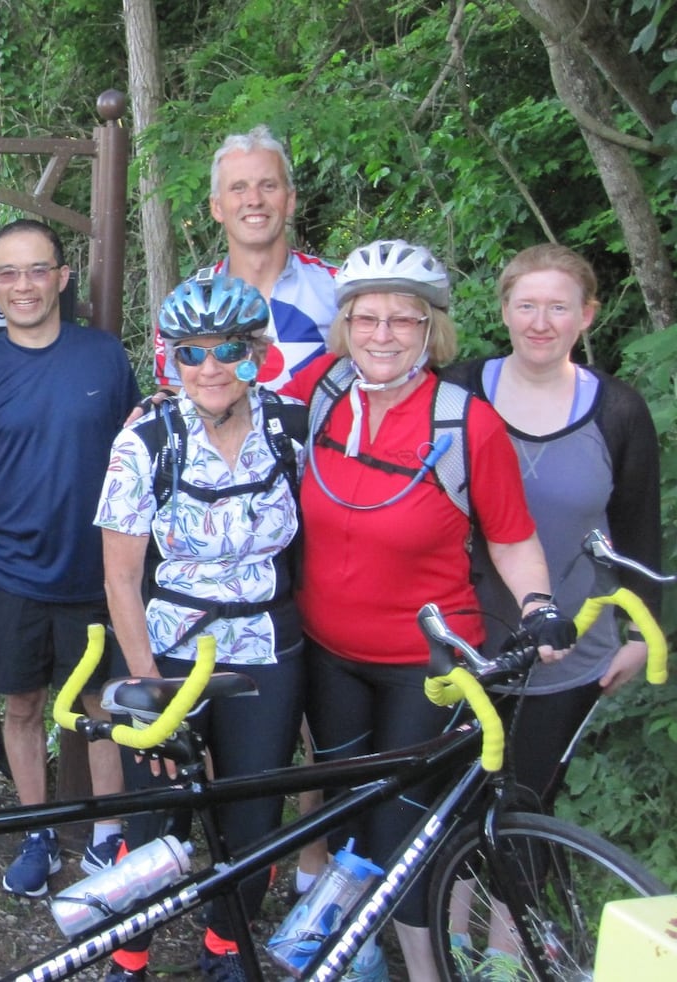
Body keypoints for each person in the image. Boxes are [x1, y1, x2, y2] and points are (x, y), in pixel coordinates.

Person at [283, 239, 575, 981]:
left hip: (429, 665)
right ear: (345, 325)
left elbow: (513, 540)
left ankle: (425, 970)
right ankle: (355, 953)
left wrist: (540, 605)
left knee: (407, 829)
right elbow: (231, 407)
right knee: (349, 809)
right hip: (329, 652)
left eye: (403, 321)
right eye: (367, 318)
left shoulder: (465, 424)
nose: (383, 335)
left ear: (430, 329)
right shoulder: (321, 395)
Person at [96, 274, 308, 982]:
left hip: (266, 650)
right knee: (157, 817)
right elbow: (121, 577)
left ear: (257, 351)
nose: (210, 368)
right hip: (169, 650)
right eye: (191, 353)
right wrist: (145, 683)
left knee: (254, 815)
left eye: (227, 349)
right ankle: (128, 955)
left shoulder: (292, 426)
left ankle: (226, 948)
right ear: (170, 358)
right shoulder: (147, 440)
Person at [0, 218, 140, 898]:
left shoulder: (103, 358)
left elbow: (137, 458)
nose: (24, 285)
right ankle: (39, 829)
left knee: (102, 706)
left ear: (62, 276)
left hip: (95, 572)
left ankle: (109, 836)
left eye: (37, 269)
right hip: (8, 574)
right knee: (22, 706)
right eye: (9, 272)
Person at [442, 244, 662, 808]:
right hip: (462, 642)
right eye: (527, 305)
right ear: (505, 309)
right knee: (447, 811)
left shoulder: (618, 411)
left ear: (587, 315)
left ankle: (519, 901)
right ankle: (454, 901)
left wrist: (643, 634)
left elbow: (637, 531)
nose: (541, 323)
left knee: (528, 804)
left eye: (559, 308)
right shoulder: (456, 392)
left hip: (570, 648)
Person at [154, 124, 337, 392]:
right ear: (216, 207)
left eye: (268, 185)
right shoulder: (190, 301)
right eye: (238, 188)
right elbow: (172, 399)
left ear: (290, 200)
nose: (254, 199)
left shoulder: (338, 289)